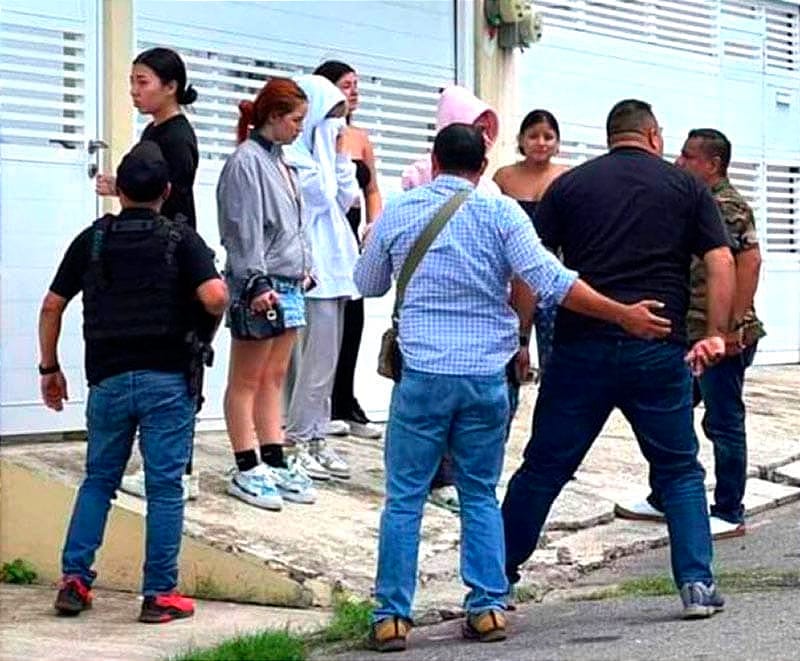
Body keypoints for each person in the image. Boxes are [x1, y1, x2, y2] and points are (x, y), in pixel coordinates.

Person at [354, 123, 676, 652]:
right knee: (479, 492)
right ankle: (486, 606)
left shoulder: (403, 210)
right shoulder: (502, 212)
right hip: (486, 377)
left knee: (405, 496)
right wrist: (622, 315)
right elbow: (553, 282)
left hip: (423, 377)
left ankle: (391, 617)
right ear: (482, 167)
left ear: (434, 162)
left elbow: (368, 283)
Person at [501, 100, 737, 620]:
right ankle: (697, 584)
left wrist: (519, 335)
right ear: (653, 135)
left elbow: (531, 269)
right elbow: (721, 259)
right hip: (657, 349)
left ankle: (496, 579)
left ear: (613, 137)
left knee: (544, 466)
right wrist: (716, 334)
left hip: (580, 348)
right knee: (678, 470)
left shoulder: (570, 186)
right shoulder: (686, 187)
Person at [41, 141, 228, 623]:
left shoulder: (93, 239)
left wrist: (49, 368)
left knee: (99, 480)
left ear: (118, 190)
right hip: (167, 380)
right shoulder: (180, 240)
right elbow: (214, 296)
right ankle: (159, 594)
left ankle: (75, 580)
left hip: (107, 378)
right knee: (165, 487)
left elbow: (52, 305)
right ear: (166, 191)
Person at [615, 128, 766, 540]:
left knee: (723, 421)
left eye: (687, 157)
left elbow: (749, 264)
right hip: (689, 331)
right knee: (670, 414)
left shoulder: (728, 206)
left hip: (719, 337)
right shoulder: (694, 203)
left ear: (712, 164)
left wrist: (732, 328)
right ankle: (663, 496)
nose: (679, 163)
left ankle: (730, 510)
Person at [96, 47, 202, 501]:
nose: (135, 91)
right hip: (156, 254)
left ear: (170, 86)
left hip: (170, 257)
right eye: (133, 82)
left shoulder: (177, 137)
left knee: (178, 357)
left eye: (143, 82)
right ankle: (167, 464)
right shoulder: (154, 130)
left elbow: (171, 199)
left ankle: (180, 468)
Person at [401, 85, 506, 512]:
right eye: (473, 126)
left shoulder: (494, 195)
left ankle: (448, 476)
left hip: (467, 341)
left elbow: (369, 277)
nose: (481, 134)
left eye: (485, 127)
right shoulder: (415, 179)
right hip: (441, 341)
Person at [216, 77, 317, 510]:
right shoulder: (246, 163)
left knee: (275, 376)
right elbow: (244, 229)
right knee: (247, 378)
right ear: (274, 116)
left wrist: (305, 268)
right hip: (261, 284)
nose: (299, 128)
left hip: (290, 283)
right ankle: (245, 462)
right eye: (295, 120)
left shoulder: (282, 163)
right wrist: (254, 280)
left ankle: (273, 456)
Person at [283, 74, 360, 481]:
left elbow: (347, 197)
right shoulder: (293, 155)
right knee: (304, 364)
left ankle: (316, 437)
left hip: (334, 268)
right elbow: (319, 197)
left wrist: (339, 152)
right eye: (329, 119)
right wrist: (327, 153)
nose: (336, 129)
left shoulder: (328, 153)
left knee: (325, 362)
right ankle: (295, 439)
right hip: (307, 268)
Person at [314, 60, 383, 440]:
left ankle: (346, 400)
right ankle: (319, 406)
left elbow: (371, 188)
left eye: (356, 85)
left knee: (353, 320)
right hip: (326, 230)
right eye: (345, 84)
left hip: (354, 233)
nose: (353, 91)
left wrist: (374, 226)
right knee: (324, 324)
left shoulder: (360, 137)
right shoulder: (317, 134)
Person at [494, 109, 569, 376]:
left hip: (550, 274)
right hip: (509, 276)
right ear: (521, 140)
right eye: (533, 136)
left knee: (556, 358)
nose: (541, 142)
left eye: (548, 137)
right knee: (508, 351)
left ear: (558, 143)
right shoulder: (503, 177)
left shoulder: (566, 178)